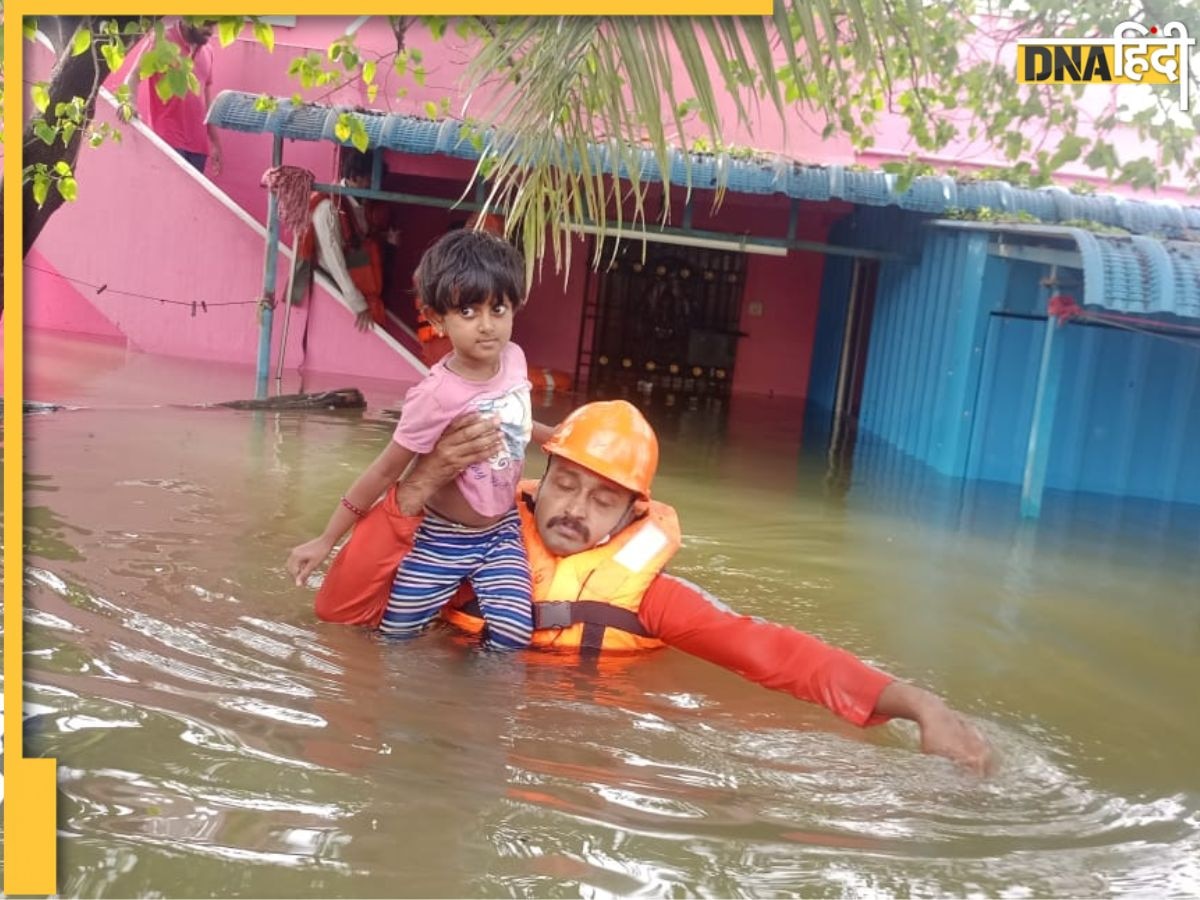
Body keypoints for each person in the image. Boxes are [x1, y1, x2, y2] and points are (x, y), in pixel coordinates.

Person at [303, 400, 994, 774]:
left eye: (604, 499)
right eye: (566, 484)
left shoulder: (649, 597)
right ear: (538, 480)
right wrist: (416, 489)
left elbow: (772, 653)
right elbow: (339, 616)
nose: (575, 508)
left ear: (636, 514)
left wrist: (915, 704)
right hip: (449, 733)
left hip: (581, 737)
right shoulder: (474, 540)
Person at [288, 229, 553, 650]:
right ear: (435, 318)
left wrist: (556, 437)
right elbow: (383, 470)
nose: (487, 326)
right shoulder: (435, 396)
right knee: (396, 637)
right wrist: (326, 539)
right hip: (440, 537)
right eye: (468, 311)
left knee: (514, 636)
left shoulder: (515, 360)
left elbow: (514, 423)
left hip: (501, 531)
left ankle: (484, 711)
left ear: (514, 306)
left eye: (498, 309)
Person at [295, 149, 399, 332]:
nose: (375, 187)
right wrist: (358, 304)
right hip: (338, 289)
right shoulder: (328, 207)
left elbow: (363, 240)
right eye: (370, 181)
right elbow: (333, 260)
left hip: (364, 289)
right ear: (355, 177)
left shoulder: (361, 205)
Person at [124, 18, 224, 175]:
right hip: (168, 138)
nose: (211, 31)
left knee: (190, 199)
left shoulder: (208, 51)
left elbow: (207, 102)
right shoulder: (161, 40)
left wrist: (215, 143)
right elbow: (134, 75)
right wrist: (129, 103)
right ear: (189, 18)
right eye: (207, 24)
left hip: (199, 146)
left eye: (214, 25)